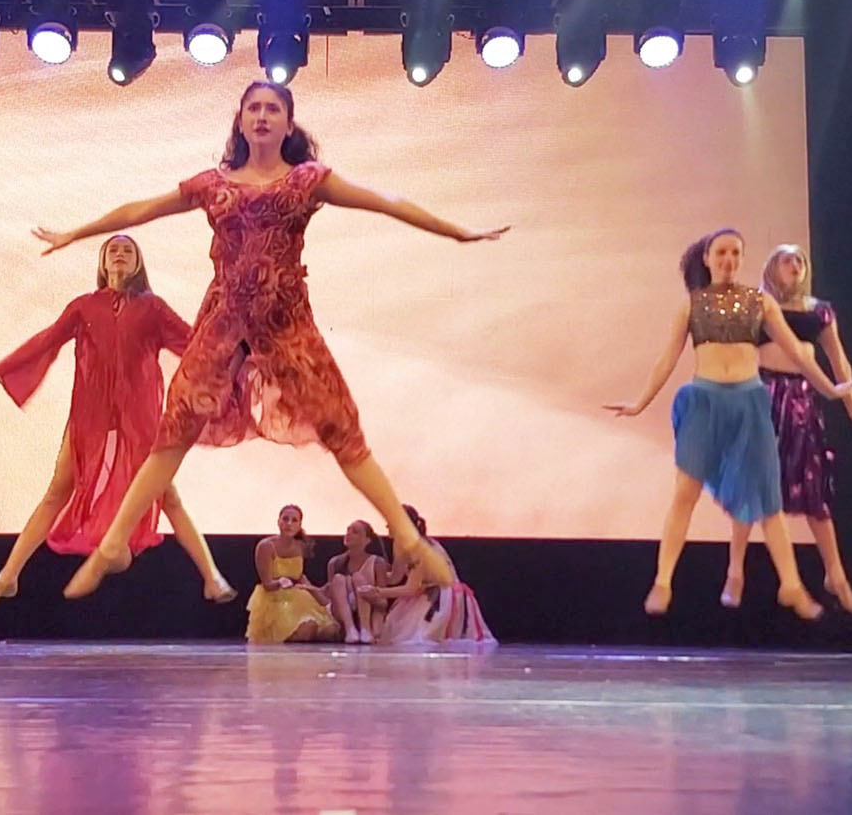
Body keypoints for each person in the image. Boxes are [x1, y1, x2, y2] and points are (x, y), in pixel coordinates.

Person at [29, 80, 506, 598]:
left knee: (340, 424)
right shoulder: (213, 185)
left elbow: (383, 202)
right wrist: (77, 233)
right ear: (240, 121)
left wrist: (453, 230)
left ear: (287, 123)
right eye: (253, 108)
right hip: (224, 321)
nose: (261, 115)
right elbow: (140, 210)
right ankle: (110, 546)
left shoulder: (306, 181)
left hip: (285, 323)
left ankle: (407, 538)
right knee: (176, 425)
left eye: (272, 109)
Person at [0, 235, 235, 608]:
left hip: (139, 414)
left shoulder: (153, 308)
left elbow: (193, 345)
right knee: (57, 491)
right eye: (112, 250)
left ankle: (212, 577)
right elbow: (48, 340)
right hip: (91, 412)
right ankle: (6, 577)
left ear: (138, 263)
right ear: (103, 263)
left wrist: (235, 354)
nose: (119, 255)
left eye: (127, 250)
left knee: (167, 495)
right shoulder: (84, 306)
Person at [607, 229, 852, 619]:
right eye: (721, 252)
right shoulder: (691, 306)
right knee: (685, 494)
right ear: (707, 258)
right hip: (705, 402)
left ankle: (791, 586)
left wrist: (830, 389)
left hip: (749, 403)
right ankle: (663, 580)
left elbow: (798, 353)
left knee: (768, 500)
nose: (728, 259)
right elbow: (667, 359)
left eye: (736, 253)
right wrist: (640, 404)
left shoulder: (760, 303)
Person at [757, 244, 852, 614]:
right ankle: (760, 576)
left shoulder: (818, 311)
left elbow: (839, 361)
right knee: (760, 489)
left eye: (800, 260)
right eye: (787, 259)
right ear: (772, 268)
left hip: (802, 401)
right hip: (763, 397)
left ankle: (836, 575)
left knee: (814, 490)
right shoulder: (759, 307)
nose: (796, 265)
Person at [373, 507, 496, 646]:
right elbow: (395, 577)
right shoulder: (400, 543)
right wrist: (374, 570)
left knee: (417, 639)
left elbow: (411, 589)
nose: (387, 525)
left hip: (441, 597)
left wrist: (377, 592)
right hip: (427, 592)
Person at [246, 504, 339, 644]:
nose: (289, 524)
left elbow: (300, 577)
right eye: (285, 519)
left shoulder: (300, 546)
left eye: (294, 520)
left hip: (298, 597)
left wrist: (319, 595)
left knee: (330, 629)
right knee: (306, 629)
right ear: (278, 522)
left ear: (299, 525)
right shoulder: (266, 546)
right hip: (275, 600)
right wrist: (281, 582)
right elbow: (267, 584)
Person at [325, 519, 391, 644]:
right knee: (338, 579)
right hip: (342, 614)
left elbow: (383, 603)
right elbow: (329, 597)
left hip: (369, 610)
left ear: (367, 540)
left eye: (355, 532)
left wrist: (369, 594)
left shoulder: (377, 562)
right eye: (348, 530)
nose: (348, 534)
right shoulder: (334, 562)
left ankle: (365, 629)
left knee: (358, 578)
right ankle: (350, 629)